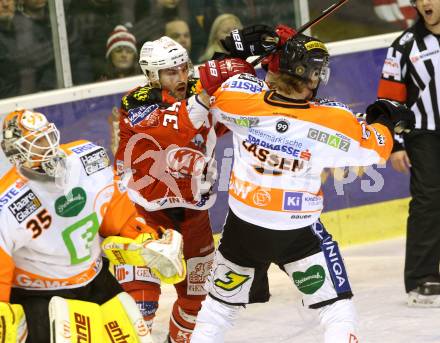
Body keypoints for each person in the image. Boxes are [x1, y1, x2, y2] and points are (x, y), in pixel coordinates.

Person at [189, 27, 415, 342]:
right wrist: (385, 121)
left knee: (217, 312)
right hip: (298, 233)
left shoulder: (238, 99)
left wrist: (235, 51)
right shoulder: (332, 119)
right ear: (311, 78)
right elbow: (377, 146)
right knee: (336, 309)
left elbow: (215, 81)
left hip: (243, 227)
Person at [0, 109, 184, 342]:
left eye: (48, 136)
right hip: (41, 295)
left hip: (96, 280)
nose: (48, 146)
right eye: (37, 143)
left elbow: (114, 210)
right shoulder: (7, 203)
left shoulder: (87, 160)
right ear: (17, 154)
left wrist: (144, 238)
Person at [113, 36, 217, 342]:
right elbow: (173, 127)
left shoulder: (202, 90)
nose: (181, 78)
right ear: (151, 76)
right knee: (140, 302)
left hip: (193, 214)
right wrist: (206, 97)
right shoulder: (137, 102)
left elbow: (239, 108)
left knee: (198, 301)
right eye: (171, 72)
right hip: (145, 214)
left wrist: (240, 68)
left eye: (183, 68)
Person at [376, 0, 440, 307]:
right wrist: (396, 144)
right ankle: (421, 278)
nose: (426, 2)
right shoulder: (404, 45)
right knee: (429, 202)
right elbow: (389, 99)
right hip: (425, 135)